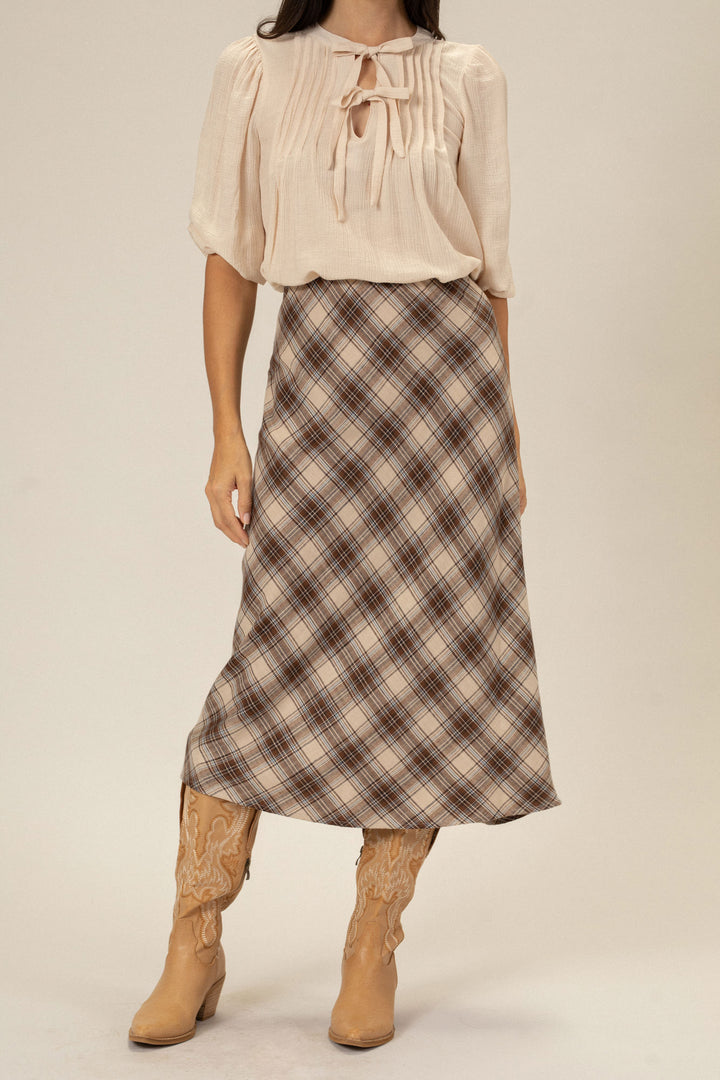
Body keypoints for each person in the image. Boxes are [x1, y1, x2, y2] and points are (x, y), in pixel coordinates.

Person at [128, 0, 561, 1051]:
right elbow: (230, 259)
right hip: (322, 376)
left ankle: (373, 942)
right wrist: (228, 433)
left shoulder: (467, 73)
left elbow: (492, 274)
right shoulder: (257, 71)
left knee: (423, 669)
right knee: (270, 663)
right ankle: (195, 936)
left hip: (447, 388)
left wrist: (503, 432)